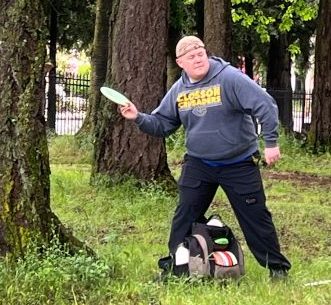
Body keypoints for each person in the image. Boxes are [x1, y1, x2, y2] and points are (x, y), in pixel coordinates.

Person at [118, 35, 291, 280]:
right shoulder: (180, 89)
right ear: (180, 63)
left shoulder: (229, 78)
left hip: (238, 162)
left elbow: (265, 105)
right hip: (199, 164)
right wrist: (137, 117)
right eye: (191, 57)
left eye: (200, 54)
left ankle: (277, 268)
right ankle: (173, 269)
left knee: (256, 218)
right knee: (184, 217)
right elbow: (163, 124)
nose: (198, 59)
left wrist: (271, 142)